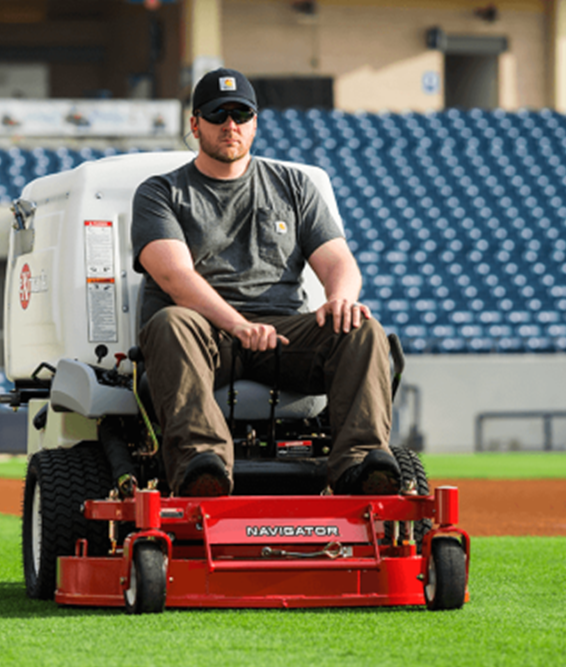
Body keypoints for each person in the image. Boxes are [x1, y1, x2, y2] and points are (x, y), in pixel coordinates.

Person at [131, 67, 400, 497]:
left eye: (241, 114)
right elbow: (174, 277)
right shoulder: (161, 192)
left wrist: (341, 298)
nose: (230, 126)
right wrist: (236, 325)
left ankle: (361, 463)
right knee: (169, 322)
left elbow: (338, 260)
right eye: (218, 115)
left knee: (362, 327)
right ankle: (203, 465)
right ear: (195, 124)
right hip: (206, 335)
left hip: (281, 334)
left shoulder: (294, 185)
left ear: (255, 122)